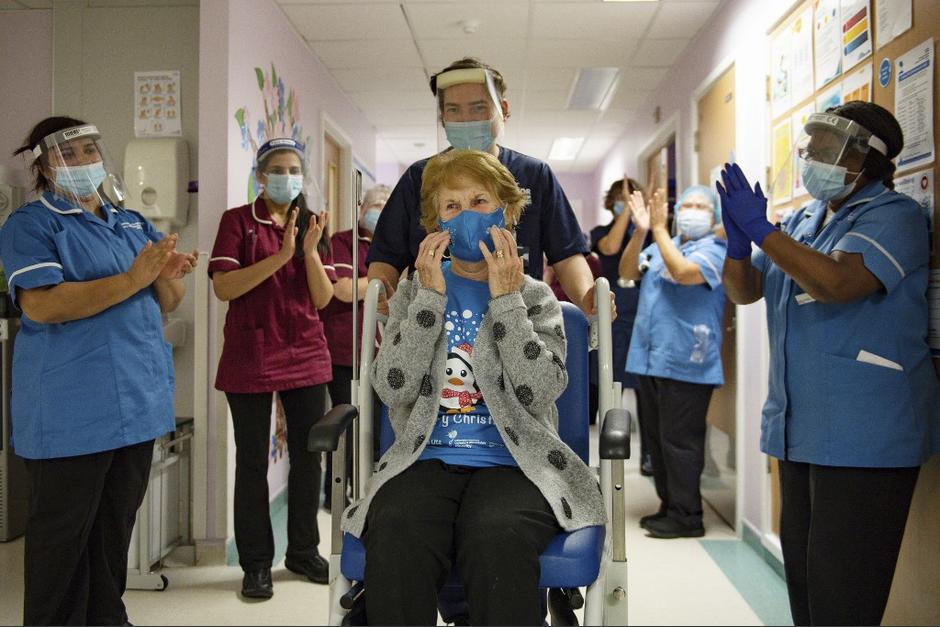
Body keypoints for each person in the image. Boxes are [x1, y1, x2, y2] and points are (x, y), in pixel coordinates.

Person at [342, 150, 605, 625]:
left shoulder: (535, 296)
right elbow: (393, 387)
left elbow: (540, 391)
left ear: (506, 211)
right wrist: (426, 300)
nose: (465, 215)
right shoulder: (413, 290)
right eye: (451, 206)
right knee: (397, 527)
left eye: (480, 201)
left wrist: (506, 303)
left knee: (496, 533)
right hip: (426, 457)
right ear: (433, 223)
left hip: (515, 461)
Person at [719, 101, 940, 626]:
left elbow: (837, 283)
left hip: (867, 434)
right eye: (809, 144)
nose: (809, 155)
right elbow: (745, 290)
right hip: (801, 428)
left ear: (865, 158)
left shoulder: (895, 216)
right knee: (806, 580)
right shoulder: (805, 220)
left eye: (824, 146)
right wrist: (736, 243)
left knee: (846, 592)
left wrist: (763, 232)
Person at [0, 117, 196, 626]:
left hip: (134, 405)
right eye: (75, 153)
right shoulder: (32, 224)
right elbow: (42, 306)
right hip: (71, 415)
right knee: (62, 543)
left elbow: (167, 299)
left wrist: (166, 277)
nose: (88, 160)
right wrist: (135, 276)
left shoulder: (130, 222)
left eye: (92, 149)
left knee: (113, 533)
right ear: (44, 165)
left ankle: (109, 618)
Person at [366, 57, 608, 319]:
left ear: (502, 109)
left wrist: (587, 298)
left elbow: (567, 254)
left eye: (479, 108)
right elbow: (386, 256)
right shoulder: (420, 177)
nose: (466, 119)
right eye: (454, 110)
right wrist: (379, 295)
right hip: (435, 324)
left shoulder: (534, 175)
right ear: (442, 118)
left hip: (517, 317)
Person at [208, 137, 334, 599]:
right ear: (261, 177)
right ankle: (256, 564)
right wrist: (280, 257)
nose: (287, 177)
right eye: (277, 169)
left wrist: (309, 251)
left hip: (304, 352)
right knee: (251, 463)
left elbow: (321, 299)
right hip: (251, 355)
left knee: (308, 458)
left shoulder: (310, 225)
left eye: (294, 169)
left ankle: (302, 551)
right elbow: (224, 287)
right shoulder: (238, 222)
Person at [620, 185, 727, 539]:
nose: (693, 211)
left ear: (714, 216)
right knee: (657, 440)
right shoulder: (664, 244)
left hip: (688, 361)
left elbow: (682, 273)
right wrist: (640, 231)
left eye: (701, 206)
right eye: (688, 205)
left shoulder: (714, 251)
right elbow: (627, 272)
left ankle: (688, 515)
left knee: (680, 442)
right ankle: (669, 506)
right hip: (651, 359)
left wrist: (660, 228)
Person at [320, 183, 390, 510]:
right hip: (346, 351)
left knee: (377, 429)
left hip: (387, 354)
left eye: (385, 206)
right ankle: (337, 497)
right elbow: (343, 290)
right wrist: (386, 283)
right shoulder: (343, 243)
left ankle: (371, 494)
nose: (378, 211)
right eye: (374, 205)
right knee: (347, 427)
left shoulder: (396, 245)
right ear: (362, 209)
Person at [590, 177, 649, 470]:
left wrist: (639, 221)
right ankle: (610, 450)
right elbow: (611, 248)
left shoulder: (646, 233)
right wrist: (627, 209)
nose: (621, 203)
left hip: (644, 312)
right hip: (613, 313)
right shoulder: (601, 232)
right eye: (617, 199)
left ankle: (649, 455)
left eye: (627, 199)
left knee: (645, 386)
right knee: (610, 380)